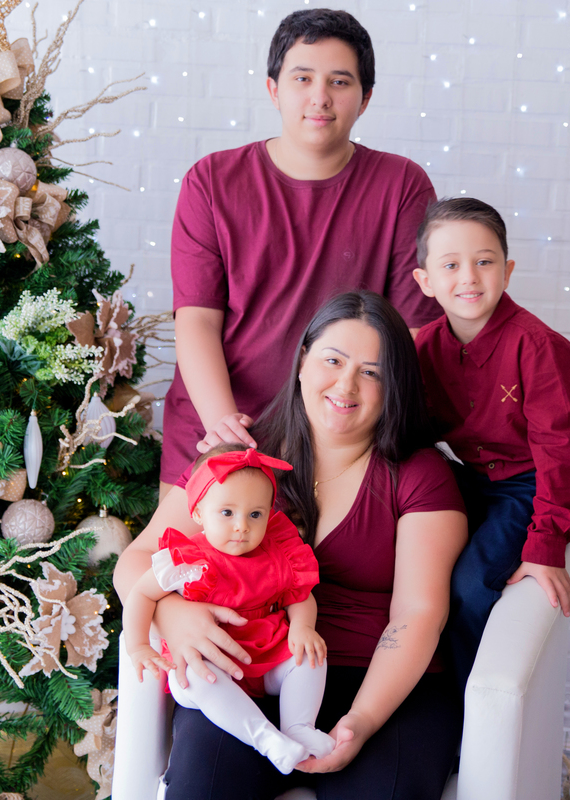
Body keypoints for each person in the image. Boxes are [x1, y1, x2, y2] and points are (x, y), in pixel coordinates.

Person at [115, 291, 468, 800]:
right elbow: (138, 559)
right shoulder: (239, 456)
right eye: (332, 360)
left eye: (372, 372)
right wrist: (170, 612)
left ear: (394, 388)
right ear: (303, 360)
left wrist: (362, 721)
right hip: (252, 675)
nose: (346, 385)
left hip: (383, 684)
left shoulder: (420, 475)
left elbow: (417, 613)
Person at [162, 8, 441, 498]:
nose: (320, 97)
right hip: (219, 424)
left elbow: (412, 330)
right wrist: (226, 432)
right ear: (273, 89)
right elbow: (197, 321)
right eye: (302, 77)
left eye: (340, 81)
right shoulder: (211, 181)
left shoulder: (402, 185)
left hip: (341, 438)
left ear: (365, 98)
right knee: (186, 572)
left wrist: (351, 433)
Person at [411, 198, 570, 693]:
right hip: (475, 476)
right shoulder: (424, 347)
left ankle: (467, 707)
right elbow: (410, 430)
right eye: (450, 265)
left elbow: (560, 450)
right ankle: (410, 688)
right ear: (425, 281)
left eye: (484, 261)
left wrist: (545, 546)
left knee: (470, 587)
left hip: (537, 479)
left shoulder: (539, 346)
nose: (469, 277)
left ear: (507, 270)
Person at [122, 445, 334, 775]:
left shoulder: (277, 552)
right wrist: (138, 645)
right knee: (195, 677)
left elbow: (300, 595)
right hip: (210, 663)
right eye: (227, 513)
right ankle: (266, 739)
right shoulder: (188, 559)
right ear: (198, 513)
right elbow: (141, 595)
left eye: (255, 514)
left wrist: (303, 627)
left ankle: (298, 727)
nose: (242, 526)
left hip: (265, 657)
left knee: (309, 655)